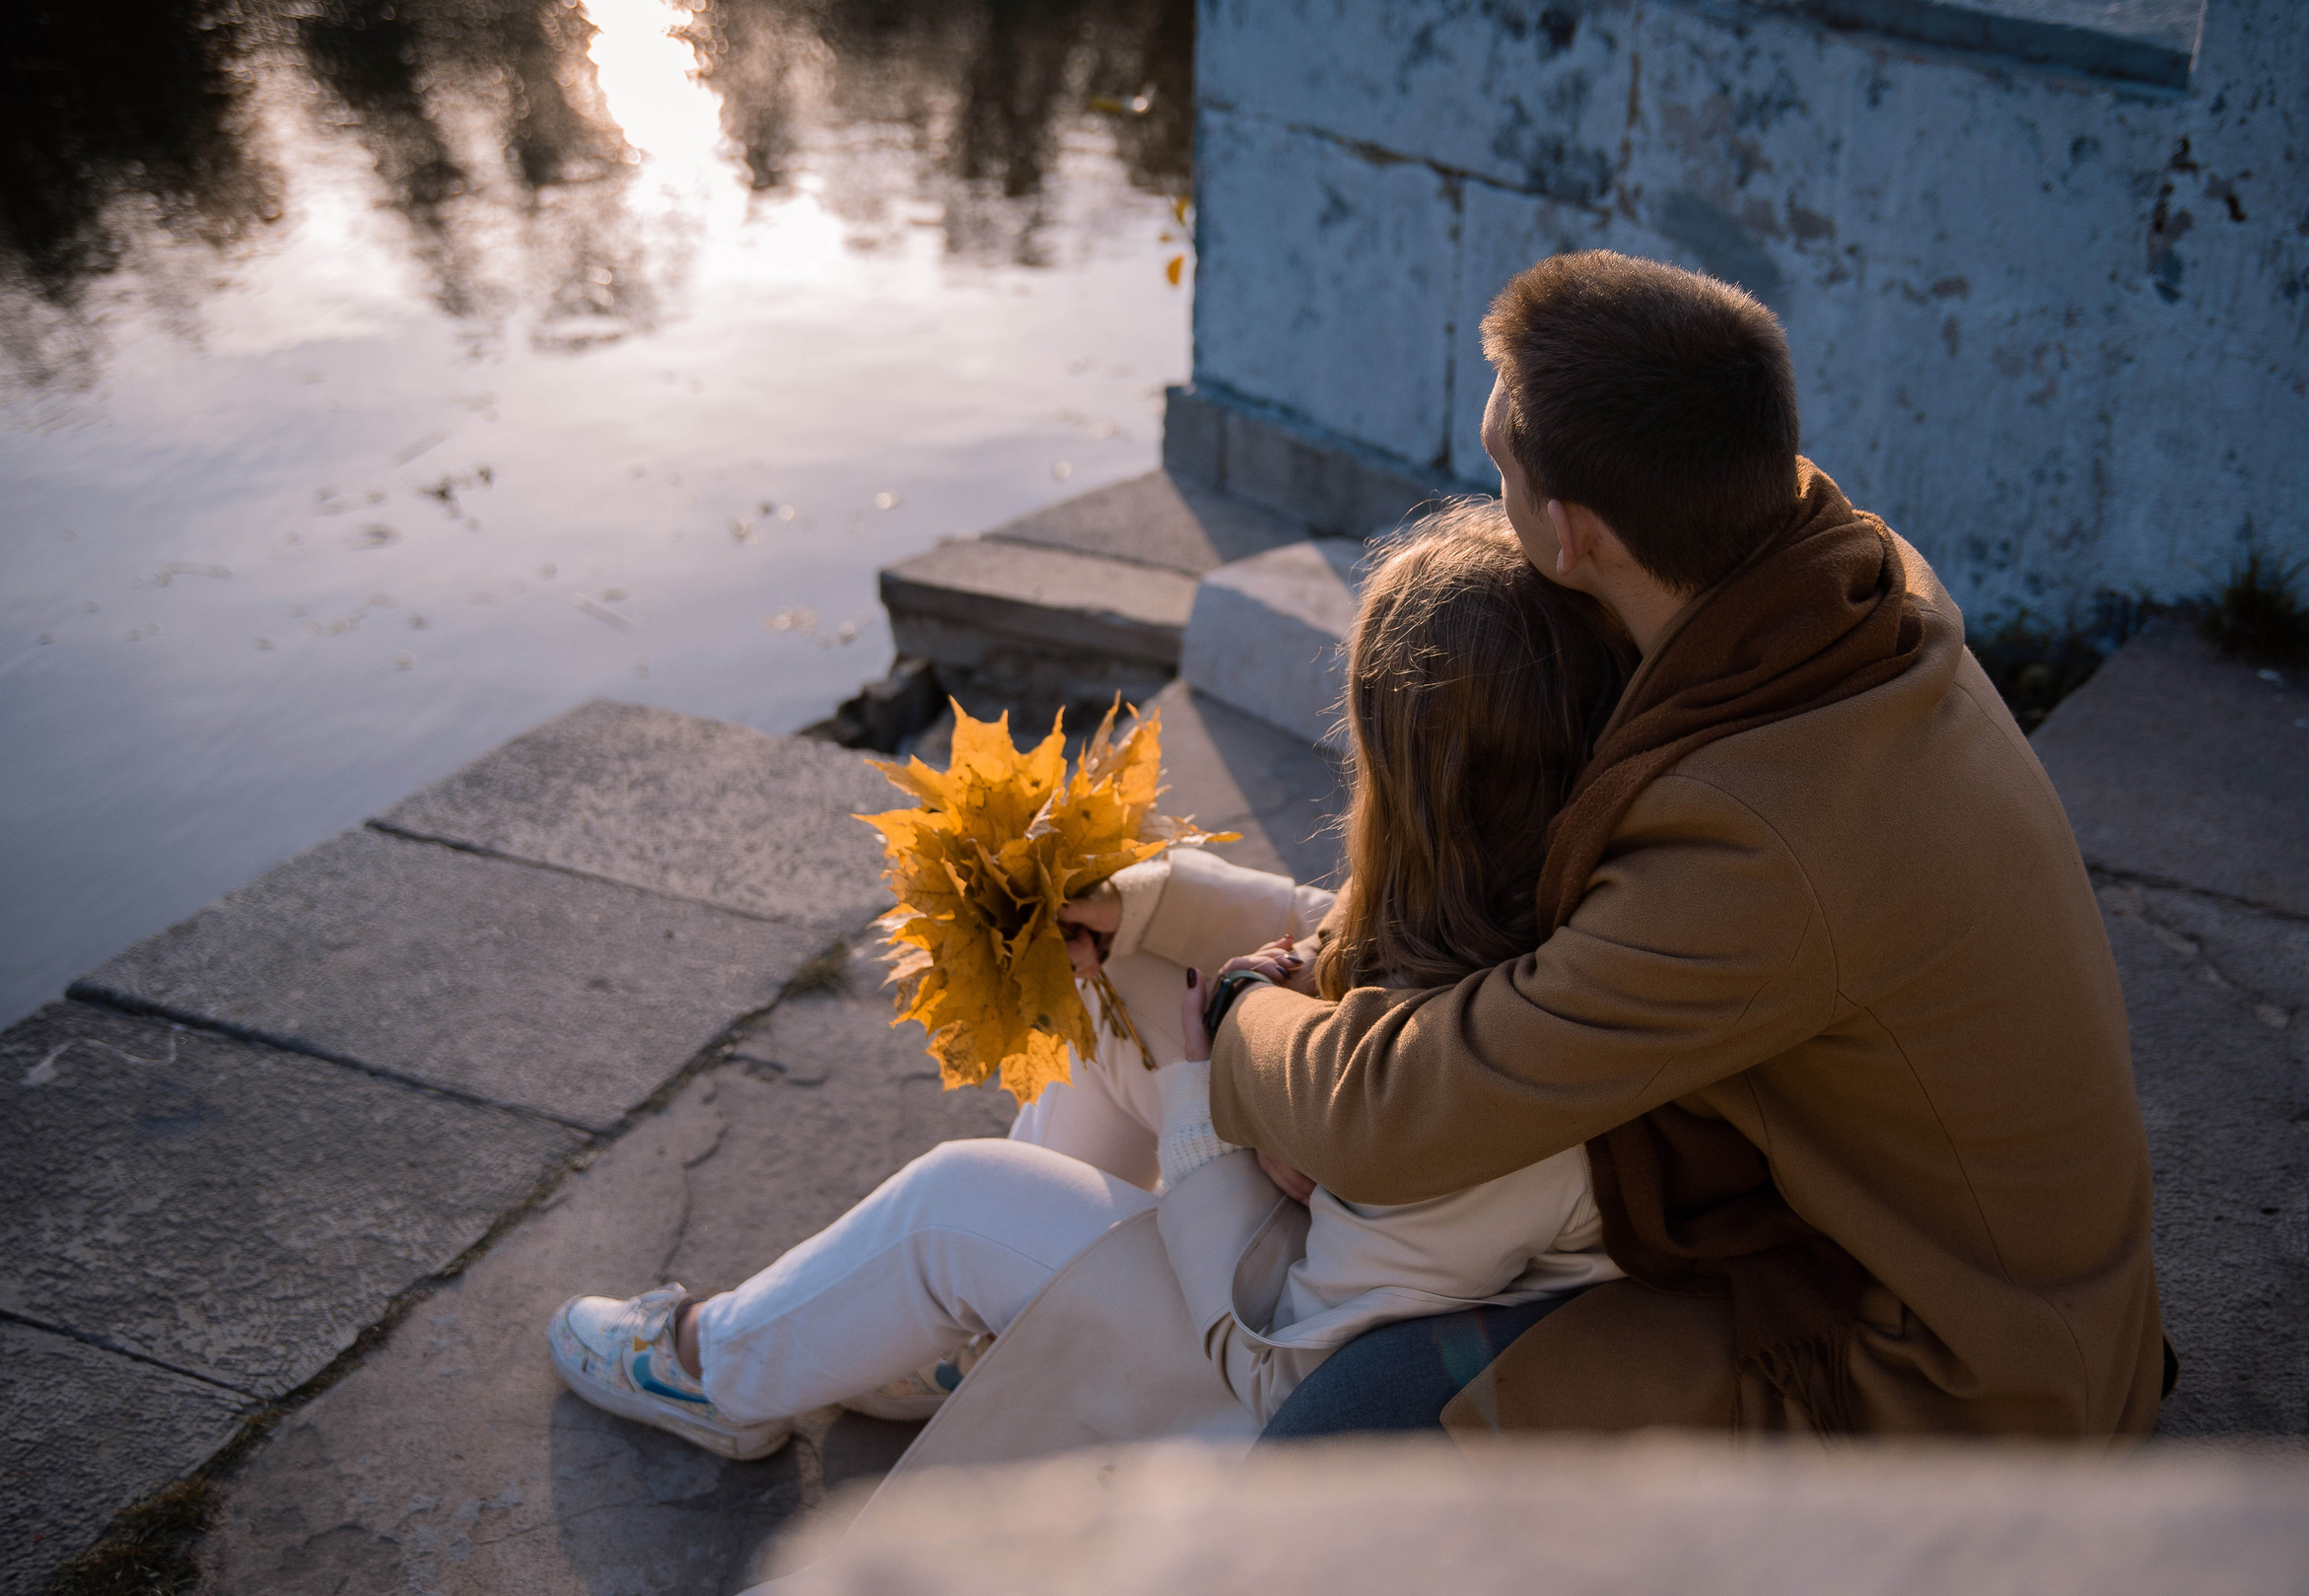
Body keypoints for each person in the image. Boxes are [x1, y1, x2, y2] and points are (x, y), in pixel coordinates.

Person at [1162, 251, 2167, 1441]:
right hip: (2006, 1277)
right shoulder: (1847, 584)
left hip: (1958, 1377)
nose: (1489, 501)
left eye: (1501, 470)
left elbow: (1400, 1115)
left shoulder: (1752, 836)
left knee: (1337, 1445)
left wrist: (1238, 1020)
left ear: (1571, 533)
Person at [545, 502, 1638, 1461]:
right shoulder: (1549, 890)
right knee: (1123, 982)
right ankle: (992, 1332)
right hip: (1358, 1248)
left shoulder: (1479, 1082)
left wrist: (1202, 1116)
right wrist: (1146, 908)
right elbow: (1339, 925)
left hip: (1294, 1388)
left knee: (954, 1205)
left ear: (1407, 783)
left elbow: (1290, 1369)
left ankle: (716, 1371)